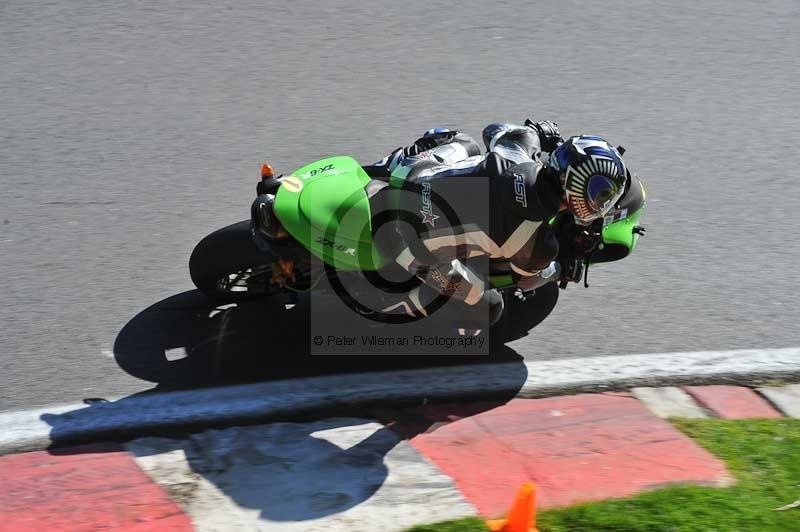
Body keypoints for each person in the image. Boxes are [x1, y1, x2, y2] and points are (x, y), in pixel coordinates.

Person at [363, 120, 641, 331]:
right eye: (600, 195)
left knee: (464, 142)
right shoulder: (538, 243)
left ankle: (379, 168)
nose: (601, 202)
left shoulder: (518, 147)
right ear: (578, 192)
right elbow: (528, 280)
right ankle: (403, 320)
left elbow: (493, 130)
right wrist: (561, 269)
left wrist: (540, 134)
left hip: (408, 179)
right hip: (401, 241)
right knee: (489, 306)